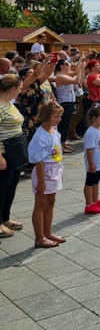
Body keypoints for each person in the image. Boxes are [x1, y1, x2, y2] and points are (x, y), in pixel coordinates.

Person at [28, 101, 66, 248]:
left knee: (51, 202)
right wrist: (41, 181)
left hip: (54, 169)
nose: (59, 119)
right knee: (41, 204)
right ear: (46, 116)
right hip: (44, 171)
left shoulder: (54, 131)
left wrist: (60, 172)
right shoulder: (41, 135)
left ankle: (48, 232)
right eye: (56, 116)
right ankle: (39, 237)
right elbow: (38, 160)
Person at [0, 74, 25, 238]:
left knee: (11, 186)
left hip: (15, 151)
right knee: (1, 188)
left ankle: (5, 218)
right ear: (12, 89)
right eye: (20, 88)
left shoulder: (9, 103)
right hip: (4, 152)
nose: (21, 91)